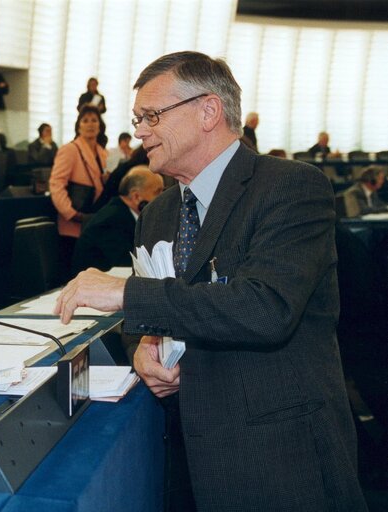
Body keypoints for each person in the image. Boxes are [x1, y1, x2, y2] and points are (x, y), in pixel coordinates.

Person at [54, 51, 365, 511]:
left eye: (151, 115)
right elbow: (154, 314)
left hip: (280, 456)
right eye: (137, 118)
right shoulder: (157, 212)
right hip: (184, 457)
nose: (139, 131)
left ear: (208, 111)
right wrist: (143, 347)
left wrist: (124, 293)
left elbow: (266, 309)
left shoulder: (291, 187)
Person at [49, 105, 109, 275]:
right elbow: (56, 184)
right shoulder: (70, 150)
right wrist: (70, 213)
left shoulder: (102, 152)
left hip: (92, 219)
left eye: (94, 120)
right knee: (73, 273)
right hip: (73, 223)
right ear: (78, 126)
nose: (90, 124)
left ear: (100, 125)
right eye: (85, 120)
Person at [71, 166, 163, 274]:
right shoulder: (111, 222)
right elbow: (128, 266)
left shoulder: (124, 213)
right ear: (136, 196)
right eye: (157, 192)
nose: (162, 198)